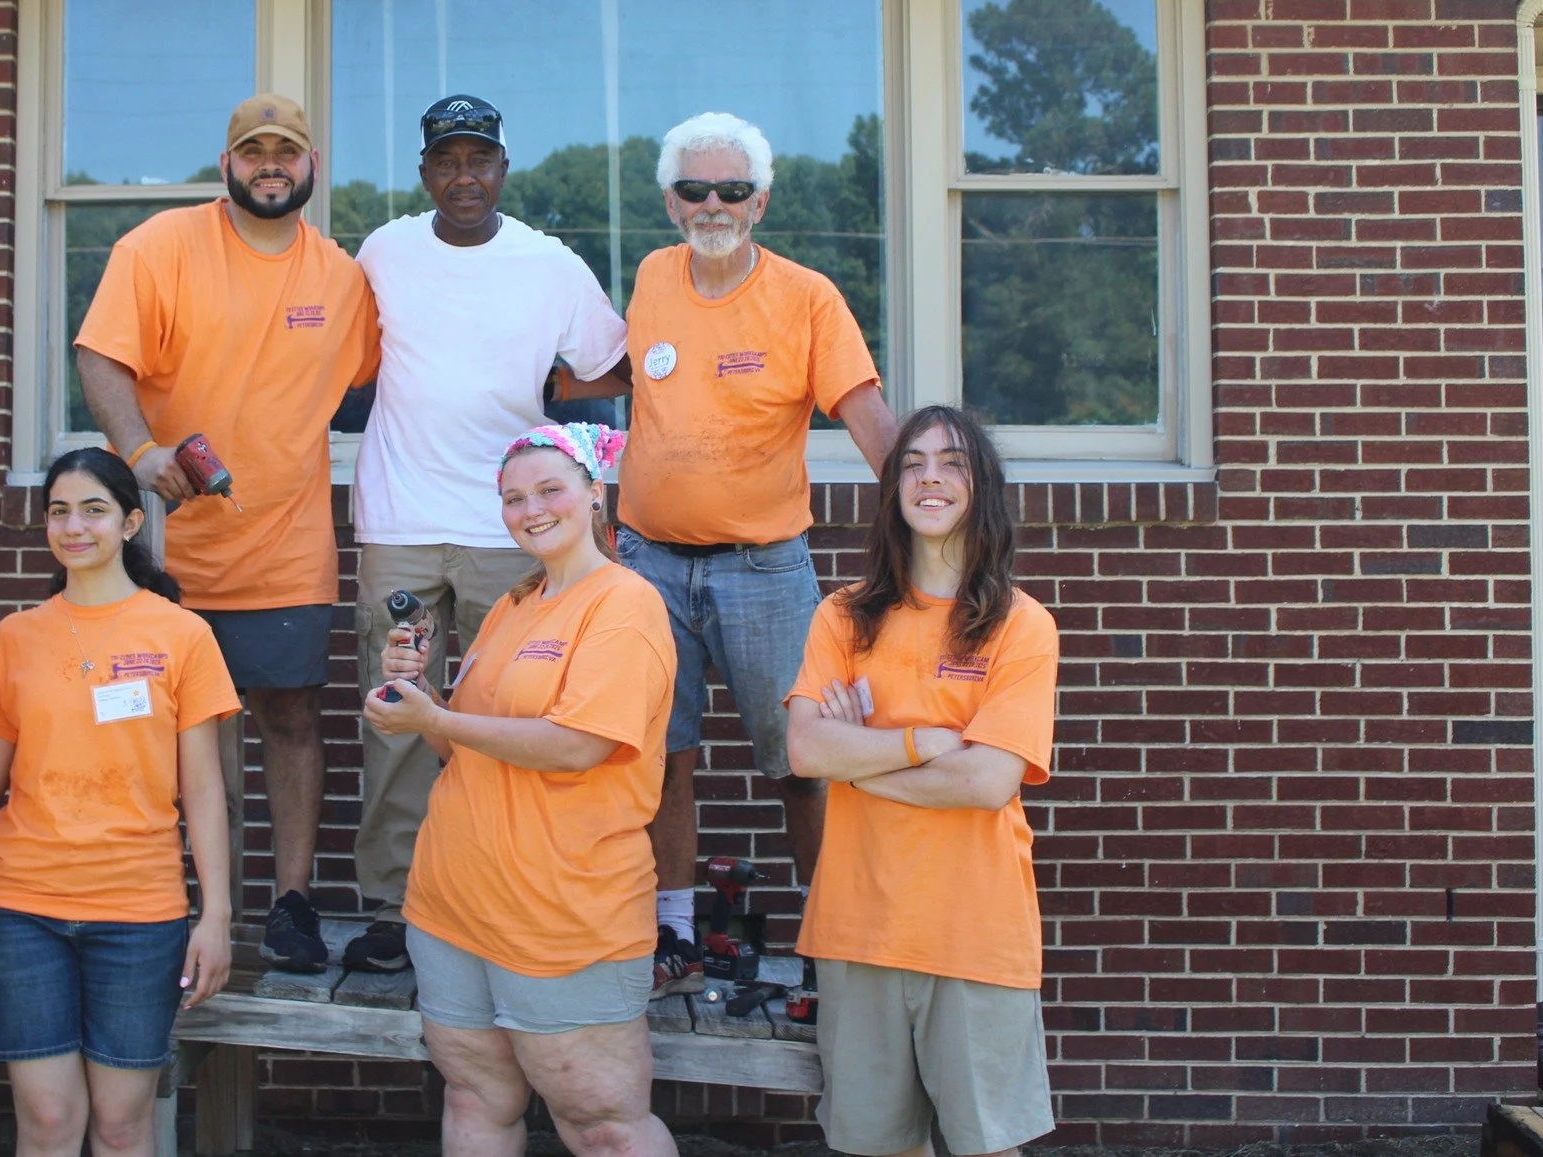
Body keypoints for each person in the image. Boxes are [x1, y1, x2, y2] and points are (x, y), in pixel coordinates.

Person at [74, 93, 378, 973]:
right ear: (227, 164)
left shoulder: (341, 278)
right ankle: (161, 895)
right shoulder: (160, 247)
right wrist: (139, 448)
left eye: (287, 151)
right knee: (153, 726)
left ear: (313, 167)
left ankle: (288, 902)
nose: (271, 165)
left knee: (290, 717)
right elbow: (100, 354)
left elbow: (382, 377)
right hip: (165, 549)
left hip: (285, 542)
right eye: (254, 152)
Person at [597, 111, 898, 996]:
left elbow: (869, 415)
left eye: (732, 189)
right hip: (648, 561)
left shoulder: (807, 296)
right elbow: (615, 379)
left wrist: (931, 514)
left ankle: (827, 939)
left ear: (761, 201)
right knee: (663, 755)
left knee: (799, 759)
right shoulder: (652, 275)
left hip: (765, 567)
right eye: (694, 189)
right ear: (669, 201)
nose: (713, 204)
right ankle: (675, 933)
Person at [348, 95, 628, 973]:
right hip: (399, 517)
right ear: (425, 172)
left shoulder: (549, 264)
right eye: (446, 161)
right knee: (397, 712)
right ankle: (394, 906)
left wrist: (546, 396)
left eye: (480, 160)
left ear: (504, 168)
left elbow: (612, 368)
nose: (463, 176)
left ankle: (509, 889)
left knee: (513, 711)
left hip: (515, 525)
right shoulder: (383, 251)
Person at [366, 423, 677, 1157]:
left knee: (603, 1125)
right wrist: (418, 697)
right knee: (478, 1099)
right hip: (454, 905)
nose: (530, 507)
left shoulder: (624, 604)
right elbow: (457, 745)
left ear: (594, 494)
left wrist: (438, 716)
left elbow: (578, 744)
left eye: (548, 489)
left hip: (565, 917)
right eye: (512, 497)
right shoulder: (514, 604)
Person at [784, 405, 1059, 1157]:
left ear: (983, 489)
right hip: (857, 928)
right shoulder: (843, 616)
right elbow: (806, 750)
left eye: (952, 463)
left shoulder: (1020, 624)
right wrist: (923, 743)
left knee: (986, 1147)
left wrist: (865, 755)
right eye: (912, 463)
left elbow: (987, 781)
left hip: (975, 930)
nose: (929, 477)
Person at [0, 448, 238, 1157]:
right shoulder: (16, 638)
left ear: (131, 522)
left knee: (122, 1127)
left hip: (140, 916)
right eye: (59, 510)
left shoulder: (181, 634)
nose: (73, 525)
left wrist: (216, 915)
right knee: (49, 1122)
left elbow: (205, 790)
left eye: (93, 509)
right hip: (24, 911)